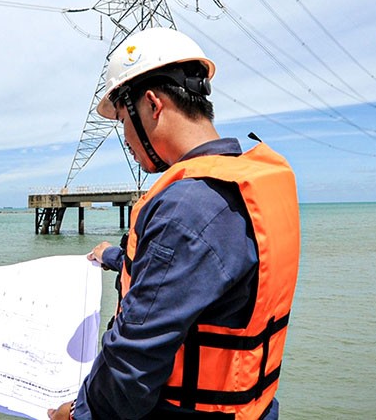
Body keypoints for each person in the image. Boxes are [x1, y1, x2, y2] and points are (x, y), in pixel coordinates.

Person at [49, 27, 301, 420]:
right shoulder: (243, 185)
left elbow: (132, 364)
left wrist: (79, 414)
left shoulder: (186, 208)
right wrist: (113, 256)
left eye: (122, 122)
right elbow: (204, 273)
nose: (127, 140)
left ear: (152, 104)